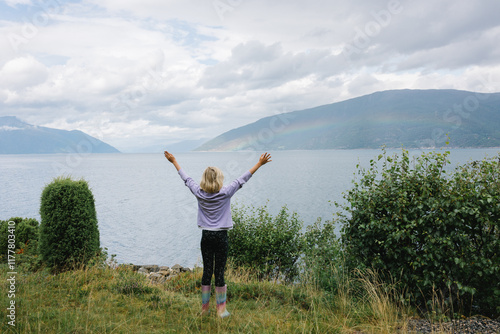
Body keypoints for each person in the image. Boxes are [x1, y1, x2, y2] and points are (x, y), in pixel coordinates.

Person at [164, 151, 272, 318]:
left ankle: (204, 309)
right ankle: (221, 310)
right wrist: (259, 163)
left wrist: (174, 161)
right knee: (219, 272)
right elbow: (243, 178)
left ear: (204, 180)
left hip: (206, 236)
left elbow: (186, 179)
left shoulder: (199, 192)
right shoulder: (226, 192)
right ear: (220, 179)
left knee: (207, 271)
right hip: (221, 237)